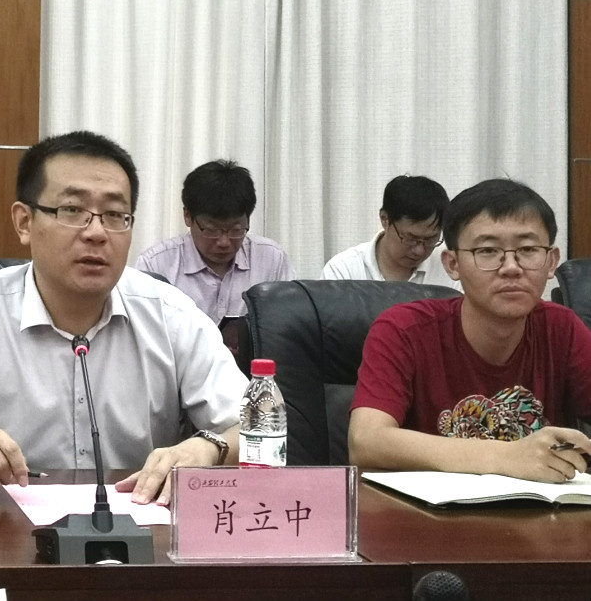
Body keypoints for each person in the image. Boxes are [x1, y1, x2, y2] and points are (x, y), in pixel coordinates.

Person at [0, 131, 247, 506]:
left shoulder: (172, 315)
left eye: (115, 215)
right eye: (72, 211)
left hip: (140, 532)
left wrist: (208, 448)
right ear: (24, 222)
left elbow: (259, 427)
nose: (96, 232)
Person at [349, 178, 591, 482]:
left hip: (541, 510)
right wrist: (506, 456)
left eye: (528, 249)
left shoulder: (562, 329)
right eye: (488, 251)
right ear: (453, 264)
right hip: (428, 510)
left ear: (551, 261)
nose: (511, 267)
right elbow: (365, 441)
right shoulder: (403, 329)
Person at [134, 160, 295, 325]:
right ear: (187, 216)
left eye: (236, 230)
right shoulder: (155, 265)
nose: (224, 242)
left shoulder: (272, 260)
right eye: (211, 230)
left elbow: (289, 324)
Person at [322, 175, 458, 288]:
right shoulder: (343, 271)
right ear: (385, 219)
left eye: (430, 239)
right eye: (410, 238)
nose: (419, 251)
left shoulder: (452, 268)